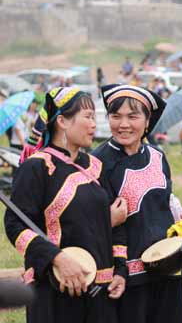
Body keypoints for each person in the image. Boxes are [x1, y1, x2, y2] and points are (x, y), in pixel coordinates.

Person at [4, 87, 125, 323]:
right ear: (62, 121)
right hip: (56, 288)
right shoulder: (36, 168)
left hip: (101, 289)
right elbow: (15, 225)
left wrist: (120, 270)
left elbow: (116, 220)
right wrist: (56, 258)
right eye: (88, 117)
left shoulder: (95, 166)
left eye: (95, 118)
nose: (94, 125)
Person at [93, 84, 182, 323]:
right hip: (128, 275)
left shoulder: (158, 156)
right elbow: (102, 222)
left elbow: (166, 200)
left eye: (133, 116)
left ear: (147, 120)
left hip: (168, 264)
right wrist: (118, 268)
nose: (123, 124)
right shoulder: (98, 162)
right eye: (115, 116)